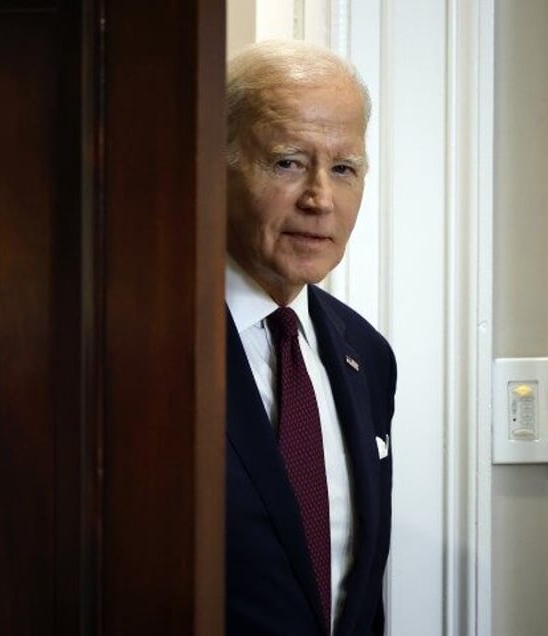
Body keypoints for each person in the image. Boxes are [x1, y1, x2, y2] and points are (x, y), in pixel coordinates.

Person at [224, 39, 397, 635]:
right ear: (214, 163)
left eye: (344, 168)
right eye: (288, 162)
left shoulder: (367, 355)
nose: (320, 199)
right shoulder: (152, 344)